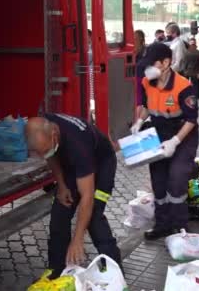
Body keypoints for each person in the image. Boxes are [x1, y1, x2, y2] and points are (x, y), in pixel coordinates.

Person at [26, 114, 122, 280]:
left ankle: (114, 273)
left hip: (102, 165)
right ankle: (56, 272)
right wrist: (62, 185)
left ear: (54, 135)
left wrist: (78, 239)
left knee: (94, 218)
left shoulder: (79, 145)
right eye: (41, 152)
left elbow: (87, 197)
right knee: (59, 215)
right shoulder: (44, 126)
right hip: (73, 166)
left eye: (45, 149)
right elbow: (51, 155)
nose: (44, 155)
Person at [131, 43, 199, 239]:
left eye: (152, 64)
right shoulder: (146, 82)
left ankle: (179, 226)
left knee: (176, 179)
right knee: (158, 182)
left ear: (166, 63)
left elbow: (191, 120)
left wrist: (175, 142)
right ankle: (162, 225)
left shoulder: (183, 86)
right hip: (158, 133)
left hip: (183, 135)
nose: (148, 68)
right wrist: (139, 121)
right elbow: (145, 106)